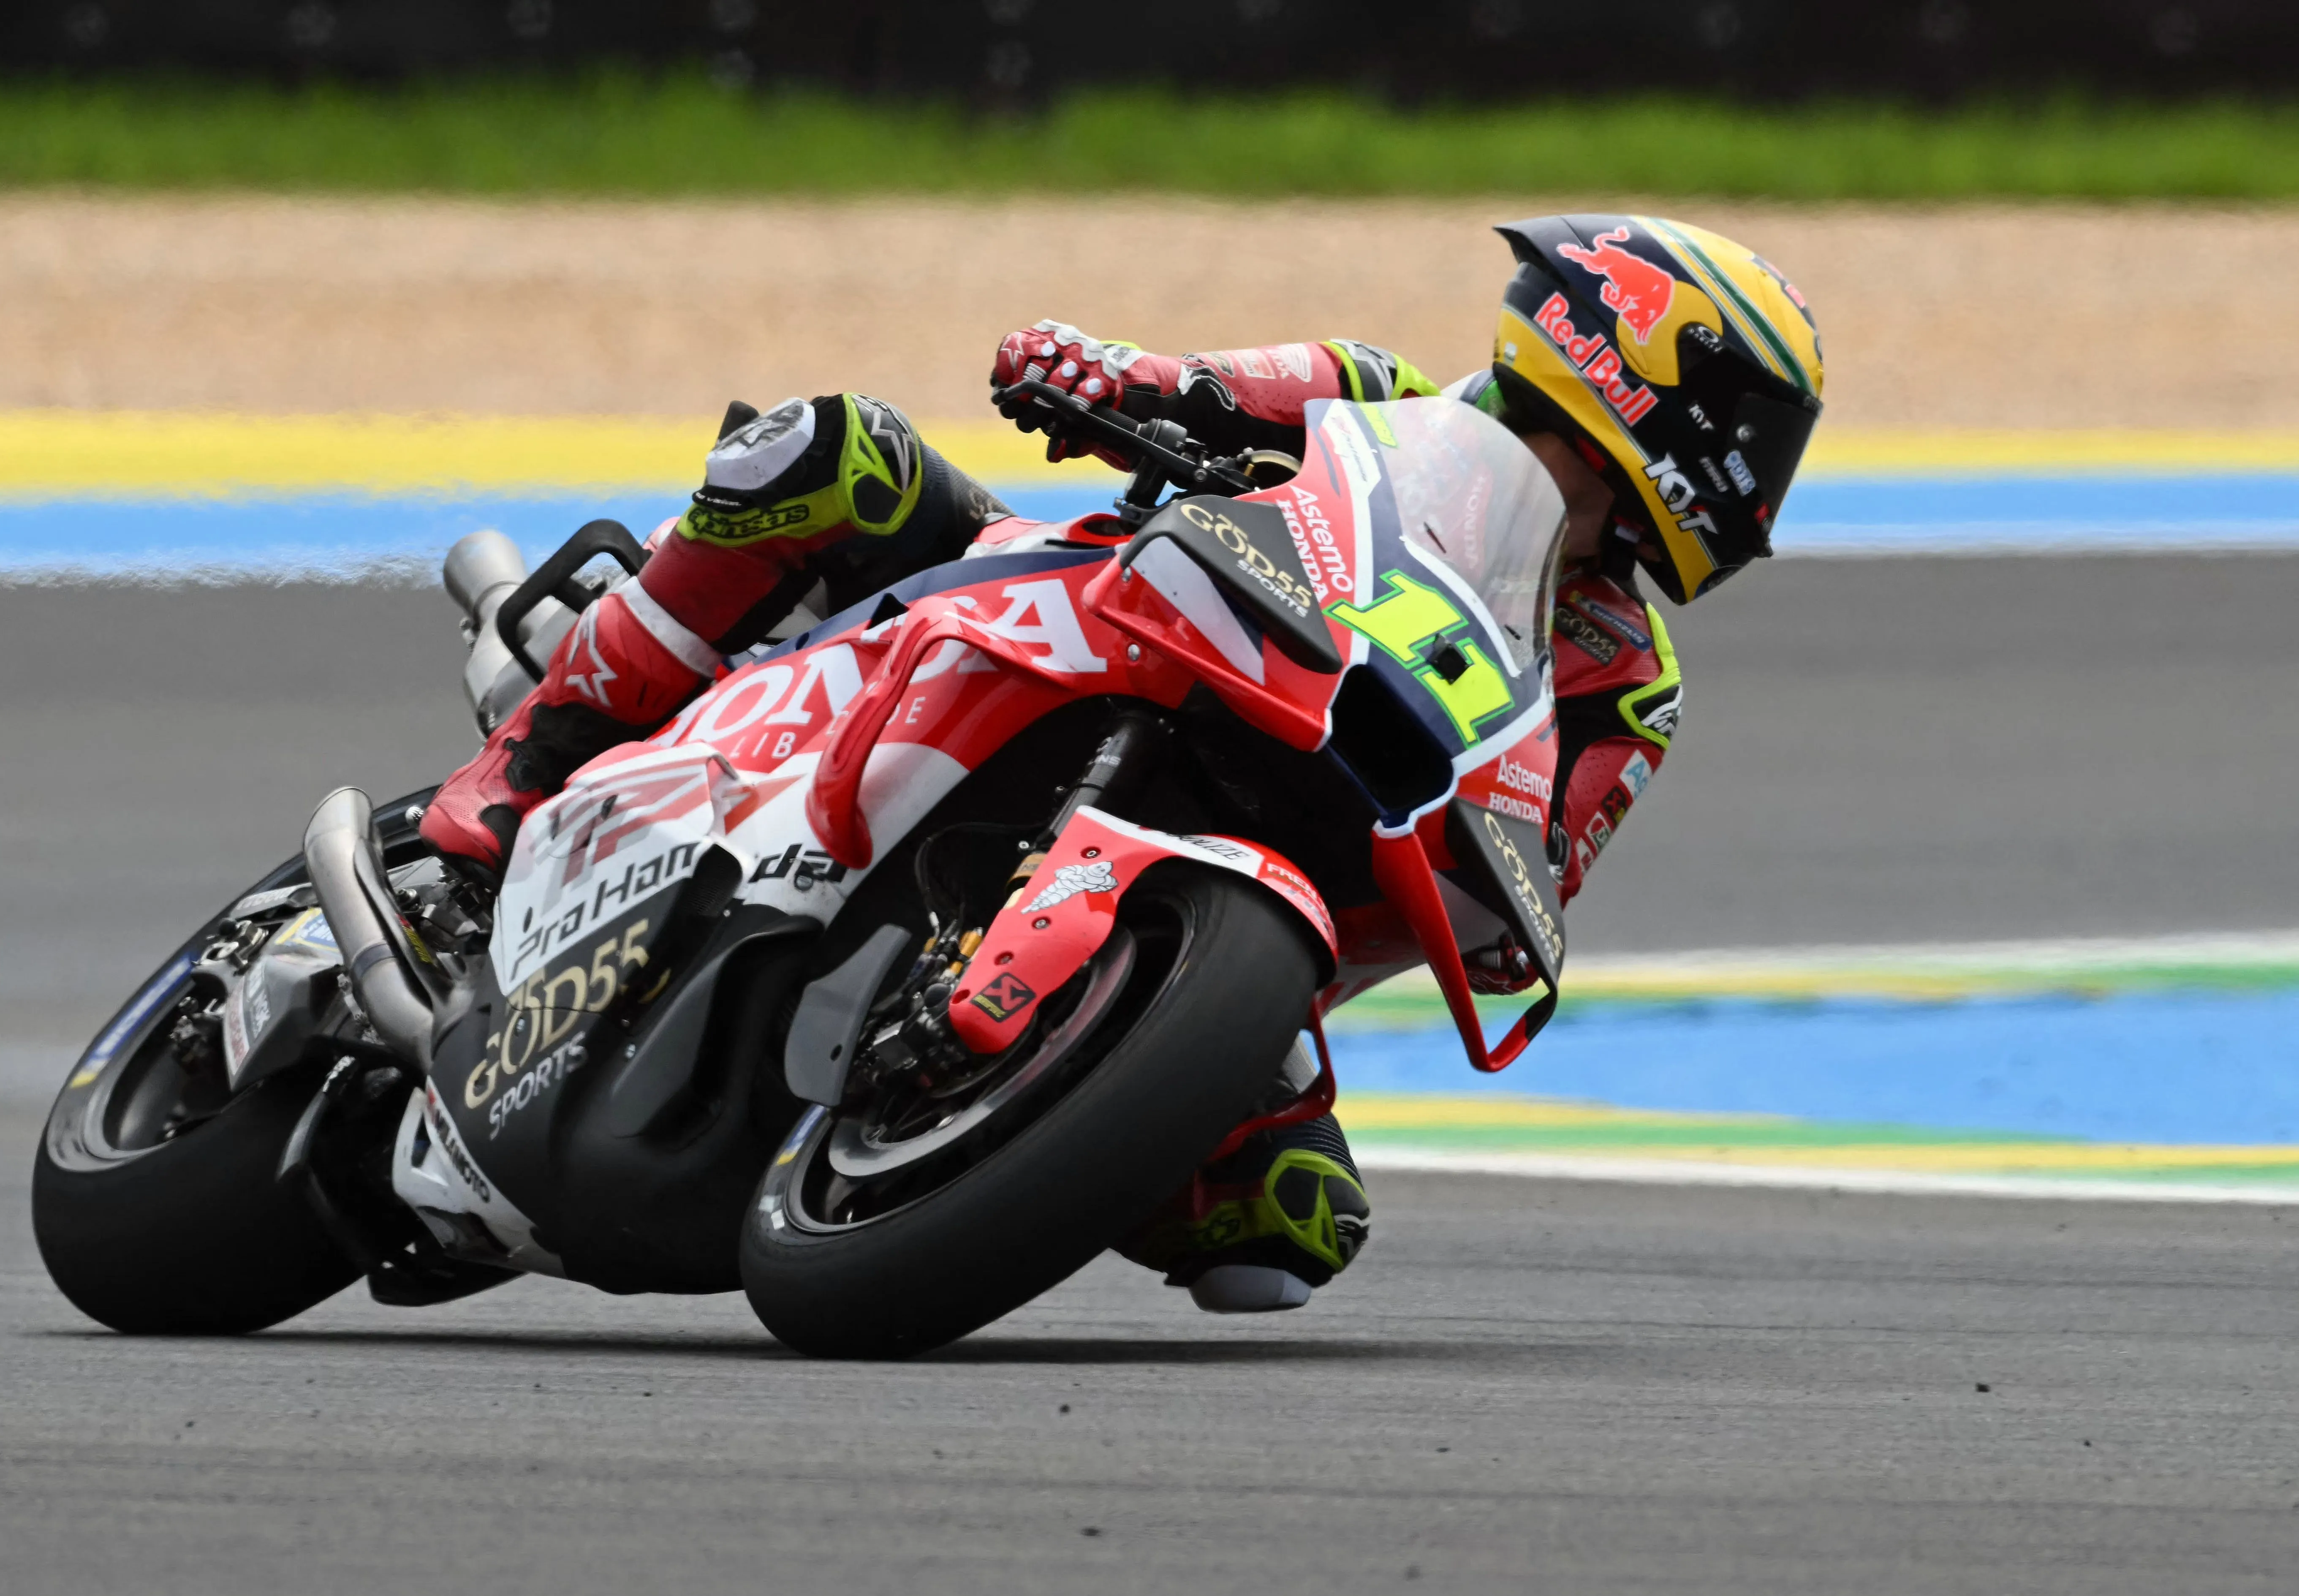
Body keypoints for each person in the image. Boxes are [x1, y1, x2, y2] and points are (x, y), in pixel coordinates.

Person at [420, 213, 1826, 1311]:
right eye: (1755, 425)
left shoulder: (1624, 686)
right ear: (1634, 363)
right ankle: (537, 759)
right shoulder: (1369, 400)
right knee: (832, 451)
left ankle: (978, 1124)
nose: (1760, 471)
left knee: (1287, 1224)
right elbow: (1187, 386)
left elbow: (1519, 893)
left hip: (1278, 851)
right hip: (1072, 632)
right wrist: (1096, 378)